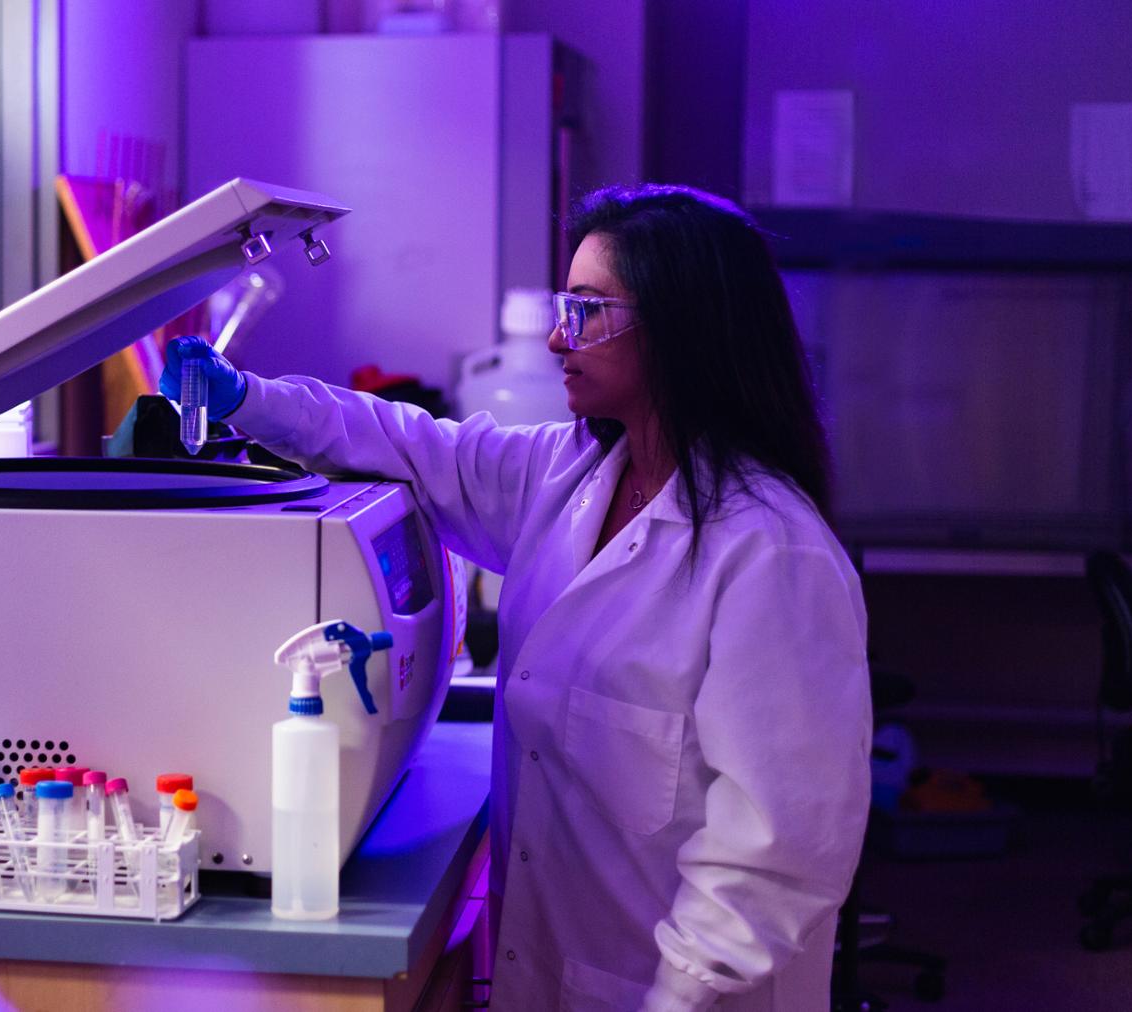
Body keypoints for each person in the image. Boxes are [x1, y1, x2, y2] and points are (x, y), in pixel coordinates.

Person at [162, 184, 871, 1011]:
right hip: (557, 973)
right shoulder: (569, 472)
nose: (556, 336)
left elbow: (774, 862)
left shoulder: (768, 556)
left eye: (589, 309)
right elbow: (411, 445)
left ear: (683, 329)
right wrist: (249, 398)